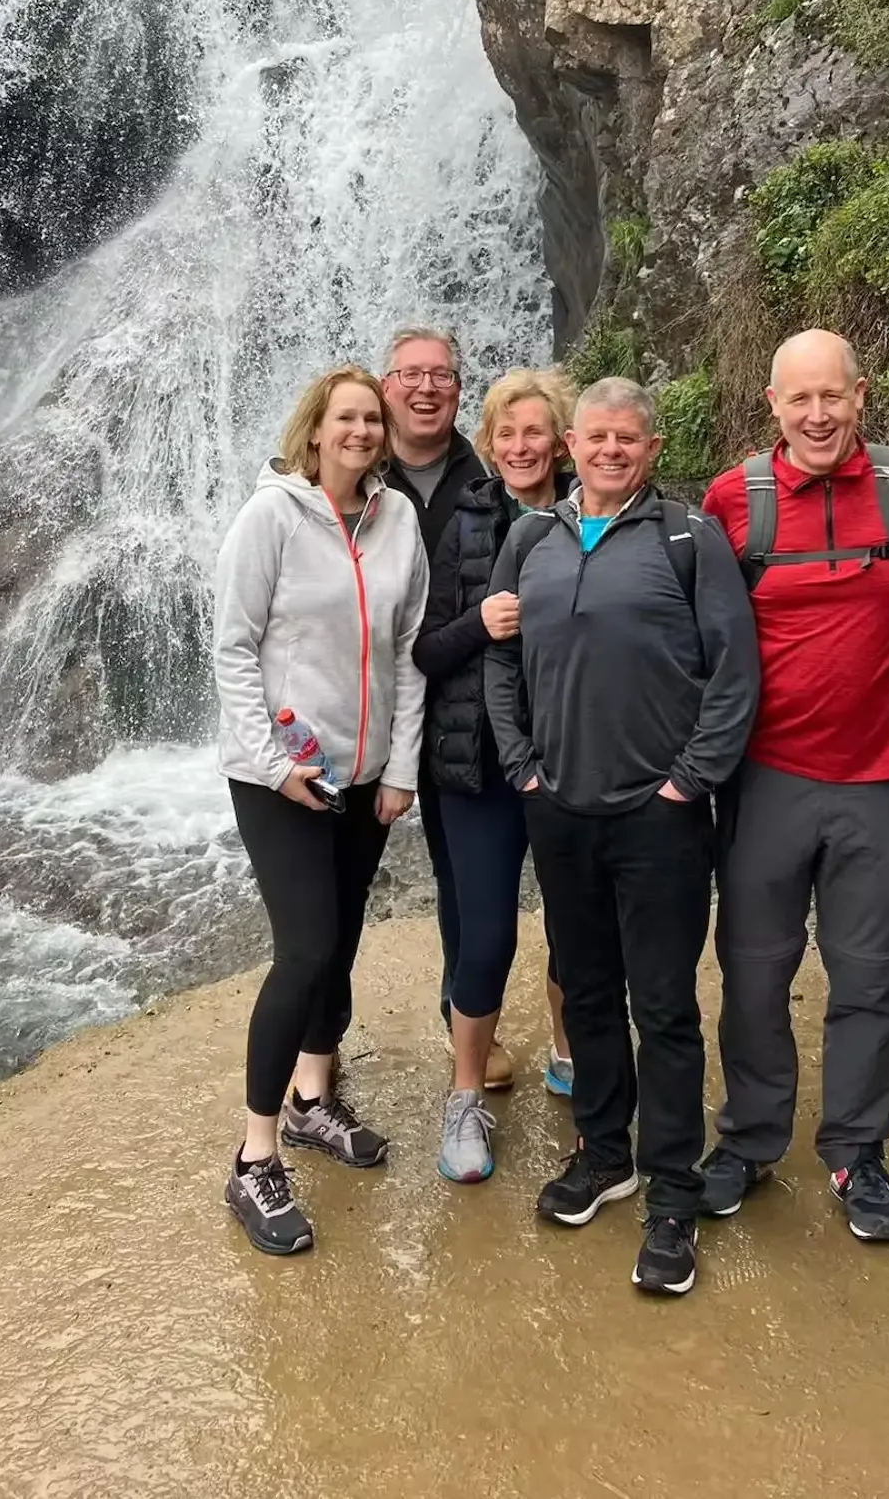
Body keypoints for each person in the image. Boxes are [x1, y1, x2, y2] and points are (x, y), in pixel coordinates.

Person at [486, 377, 759, 1297]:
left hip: (661, 815)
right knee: (588, 989)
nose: (610, 451)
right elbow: (500, 660)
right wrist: (521, 763)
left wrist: (691, 780)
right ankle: (607, 1153)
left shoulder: (689, 538)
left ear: (650, 445)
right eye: (595, 437)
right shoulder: (532, 537)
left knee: (666, 1004)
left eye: (627, 439)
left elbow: (735, 672)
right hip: (559, 808)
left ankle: (675, 1189)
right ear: (571, 441)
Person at [700, 329, 889, 1242]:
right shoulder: (734, 500)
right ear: (772, 404)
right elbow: (693, 636)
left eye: (831, 396)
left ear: (860, 394)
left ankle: (856, 1151)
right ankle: (752, 1139)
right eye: (798, 399)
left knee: (868, 980)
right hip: (765, 780)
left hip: (880, 780)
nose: (816, 414)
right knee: (754, 972)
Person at [214, 365, 428, 1257]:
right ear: (315, 428)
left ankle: (312, 1101)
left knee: (336, 947)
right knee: (303, 951)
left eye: (372, 419)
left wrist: (401, 768)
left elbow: (410, 649)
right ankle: (255, 1155)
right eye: (347, 417)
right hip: (281, 779)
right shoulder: (270, 517)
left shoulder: (398, 518)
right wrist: (272, 763)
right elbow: (230, 646)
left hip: (365, 773)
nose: (363, 431)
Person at [413, 367, 577, 1183]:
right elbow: (426, 647)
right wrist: (479, 622)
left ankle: (569, 1056)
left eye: (534, 432)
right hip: (476, 765)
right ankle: (465, 1094)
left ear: (562, 439)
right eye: (505, 433)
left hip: (573, 757)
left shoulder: (596, 515)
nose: (520, 446)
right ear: (488, 441)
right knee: (485, 935)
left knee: (577, 927)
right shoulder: (465, 522)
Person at [379, 327, 509, 1086]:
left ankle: (463, 1018)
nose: (427, 388)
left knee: (464, 877)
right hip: (375, 700)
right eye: (411, 375)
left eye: (442, 376)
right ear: (386, 383)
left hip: (463, 704)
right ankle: (314, 1059)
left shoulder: (488, 468)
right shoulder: (356, 464)